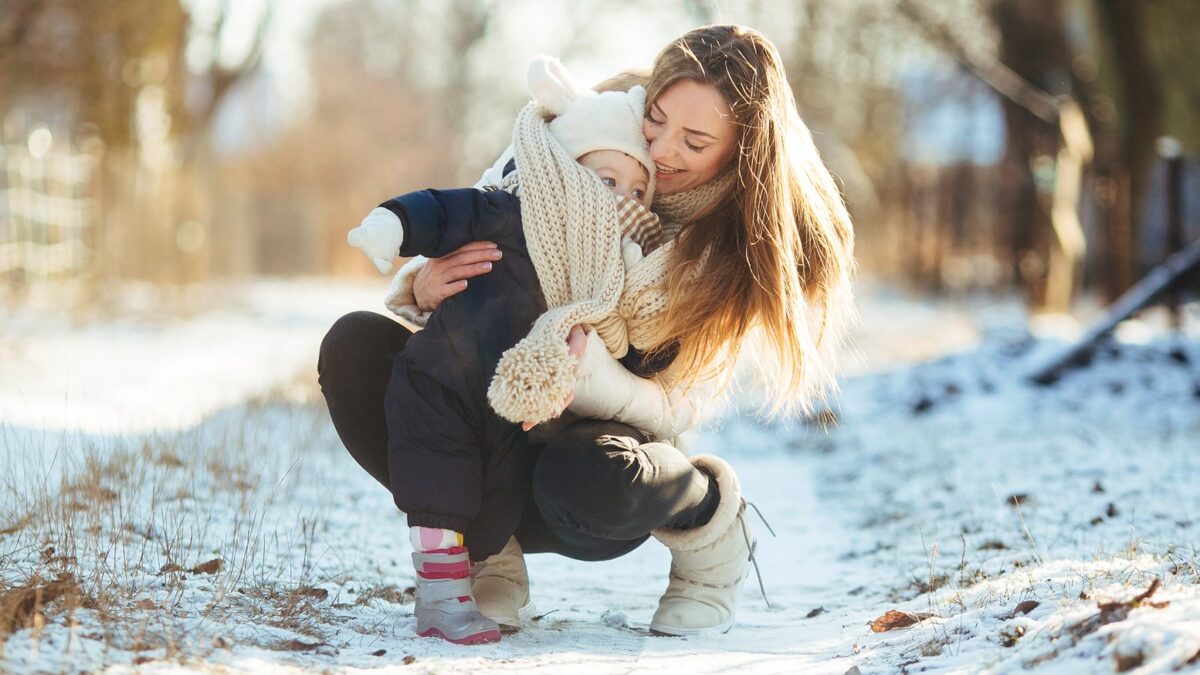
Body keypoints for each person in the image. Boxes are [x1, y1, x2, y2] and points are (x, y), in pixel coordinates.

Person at [319, 24, 855, 640]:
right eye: (657, 119)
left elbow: (683, 404)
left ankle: (712, 525)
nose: (661, 150)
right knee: (357, 348)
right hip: (498, 421)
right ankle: (485, 553)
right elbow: (486, 208)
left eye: (694, 141)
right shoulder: (590, 121)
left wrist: (593, 378)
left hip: (595, 463)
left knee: (589, 477)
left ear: (741, 151)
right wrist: (423, 283)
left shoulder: (732, 246)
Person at [341, 56, 678, 644]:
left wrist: (595, 360)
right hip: (449, 382)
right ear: (568, 168)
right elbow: (451, 209)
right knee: (441, 476)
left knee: (499, 494)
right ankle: (447, 592)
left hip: (538, 427)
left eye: (636, 190)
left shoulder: (635, 264)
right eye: (606, 181)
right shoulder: (515, 206)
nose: (621, 201)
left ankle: (481, 571)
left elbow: (650, 351)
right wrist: (398, 236)